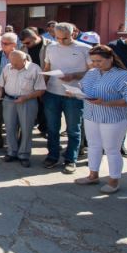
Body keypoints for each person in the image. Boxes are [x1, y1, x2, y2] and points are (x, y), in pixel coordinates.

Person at [72, 45, 127, 193]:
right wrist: (75, 93)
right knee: (94, 146)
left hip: (113, 118)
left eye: (99, 61)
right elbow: (84, 90)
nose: (96, 64)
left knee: (111, 149)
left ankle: (114, 181)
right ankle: (93, 175)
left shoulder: (124, 76)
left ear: (111, 58)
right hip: (91, 115)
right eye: (93, 60)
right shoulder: (91, 73)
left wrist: (106, 103)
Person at [42, 22, 91, 174]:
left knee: (73, 129)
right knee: (52, 128)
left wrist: (75, 75)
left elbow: (92, 72)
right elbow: (47, 68)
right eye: (58, 38)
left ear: (74, 34)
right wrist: (43, 87)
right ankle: (53, 156)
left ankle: (71, 159)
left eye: (65, 38)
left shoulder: (85, 49)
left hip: (74, 95)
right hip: (52, 93)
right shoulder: (50, 48)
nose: (61, 42)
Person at [0, 50, 46, 168]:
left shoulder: (35, 69)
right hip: (9, 100)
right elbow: (0, 84)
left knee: (27, 128)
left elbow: (41, 90)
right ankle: (12, 152)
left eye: (16, 64)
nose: (13, 66)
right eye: (11, 63)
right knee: (10, 127)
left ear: (24, 60)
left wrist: (26, 97)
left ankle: (24, 154)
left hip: (28, 101)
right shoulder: (8, 67)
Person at [20, 27, 52, 135]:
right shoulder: (23, 47)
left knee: (48, 109)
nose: (26, 45)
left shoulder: (50, 46)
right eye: (24, 43)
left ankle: (46, 130)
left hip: (48, 82)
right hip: (30, 83)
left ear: (35, 37)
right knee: (35, 107)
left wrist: (44, 81)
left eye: (28, 43)